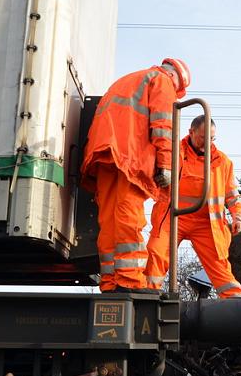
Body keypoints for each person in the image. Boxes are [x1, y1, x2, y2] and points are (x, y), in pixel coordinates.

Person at [81, 58, 191, 294]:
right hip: (129, 156)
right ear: (176, 79)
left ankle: (110, 282)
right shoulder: (162, 82)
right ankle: (129, 280)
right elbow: (163, 126)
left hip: (104, 153)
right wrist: (165, 165)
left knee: (109, 220)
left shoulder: (127, 80)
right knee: (128, 216)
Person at [145, 115, 241, 298]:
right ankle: (147, 297)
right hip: (173, 216)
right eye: (202, 137)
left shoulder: (223, 162)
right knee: (156, 252)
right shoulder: (173, 152)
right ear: (191, 132)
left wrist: (238, 217)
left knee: (219, 263)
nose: (207, 142)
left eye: (212, 138)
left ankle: (236, 302)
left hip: (206, 222)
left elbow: (232, 195)